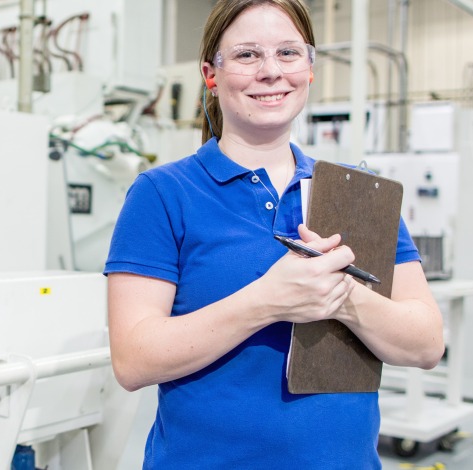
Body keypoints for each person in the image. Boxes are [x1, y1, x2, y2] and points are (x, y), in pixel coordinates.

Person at [103, 0, 444, 467]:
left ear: (310, 69)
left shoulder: (360, 194)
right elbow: (133, 359)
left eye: (288, 53)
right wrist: (269, 300)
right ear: (211, 74)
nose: (270, 72)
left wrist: (341, 294)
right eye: (246, 55)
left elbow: (426, 344)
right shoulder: (163, 194)